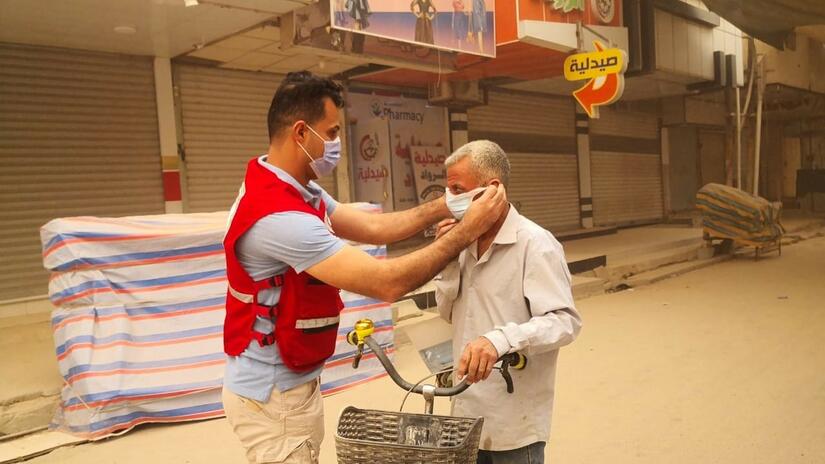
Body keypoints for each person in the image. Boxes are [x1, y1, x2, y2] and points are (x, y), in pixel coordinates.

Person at [221, 72, 507, 464]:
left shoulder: (292, 183)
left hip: (288, 387)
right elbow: (387, 283)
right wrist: (464, 232)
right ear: (302, 133)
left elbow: (373, 227)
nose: (337, 143)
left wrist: (446, 205)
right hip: (274, 400)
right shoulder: (279, 216)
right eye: (333, 132)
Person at [433, 140, 582, 464]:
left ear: (492, 188)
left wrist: (500, 340)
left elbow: (564, 322)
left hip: (515, 424)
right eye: (448, 191)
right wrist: (444, 259)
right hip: (464, 416)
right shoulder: (461, 244)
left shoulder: (535, 244)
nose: (450, 201)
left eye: (458, 190)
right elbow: (449, 314)